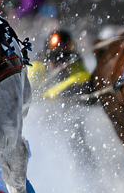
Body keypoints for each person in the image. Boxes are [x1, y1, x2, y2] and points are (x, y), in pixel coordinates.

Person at [27, 28, 95, 165]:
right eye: (55, 58)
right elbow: (26, 93)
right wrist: (42, 96)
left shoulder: (74, 62)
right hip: (43, 121)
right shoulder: (37, 66)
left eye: (65, 58)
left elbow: (83, 78)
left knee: (78, 139)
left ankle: (89, 171)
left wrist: (54, 92)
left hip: (67, 115)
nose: (60, 64)